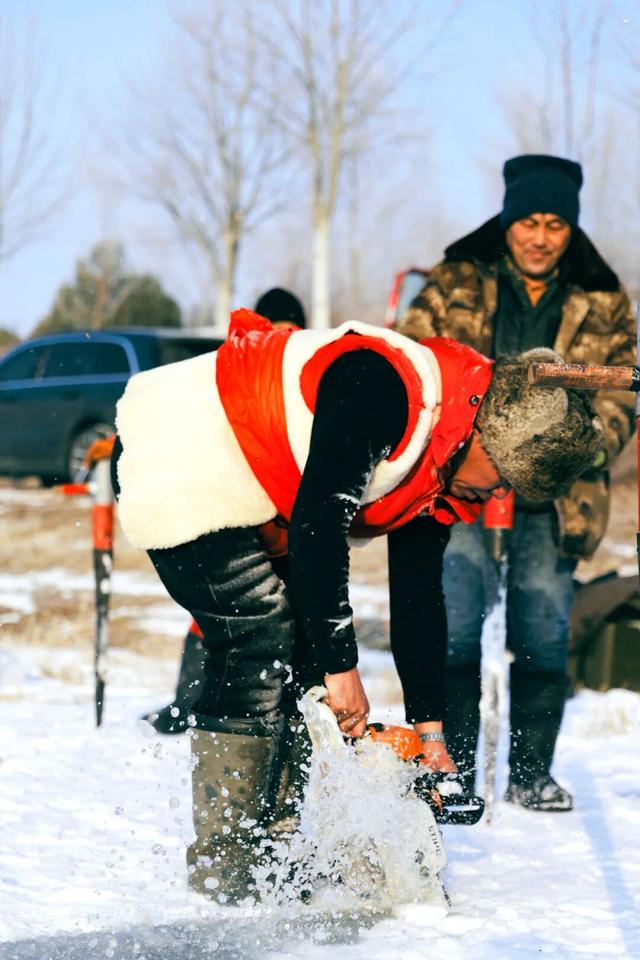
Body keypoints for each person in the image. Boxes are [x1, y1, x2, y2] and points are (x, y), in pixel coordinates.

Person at [111, 306, 601, 901]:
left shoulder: (441, 465)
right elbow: (320, 528)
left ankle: (276, 842)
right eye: (504, 475)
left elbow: (419, 598)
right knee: (259, 635)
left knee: (302, 657)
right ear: (486, 436)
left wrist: (431, 730)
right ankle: (227, 860)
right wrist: (345, 671)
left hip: (258, 482)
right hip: (183, 452)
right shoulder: (385, 387)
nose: (500, 492)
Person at [395, 154, 636, 812]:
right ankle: (456, 774)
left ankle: (531, 775)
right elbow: (411, 362)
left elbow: (621, 402)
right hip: (460, 484)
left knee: (542, 631)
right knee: (455, 628)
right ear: (507, 221)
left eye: (555, 224)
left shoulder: (604, 299)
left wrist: (566, 449)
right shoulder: (456, 281)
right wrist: (461, 451)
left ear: (570, 229)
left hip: (557, 494)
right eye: (527, 220)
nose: (539, 236)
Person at [143, 287, 307, 734]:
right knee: (221, 619)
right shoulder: (244, 370)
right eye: (274, 328)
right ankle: (189, 705)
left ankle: (265, 716)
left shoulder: (288, 375)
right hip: (240, 506)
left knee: (269, 620)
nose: (280, 337)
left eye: (288, 329)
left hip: (278, 514)